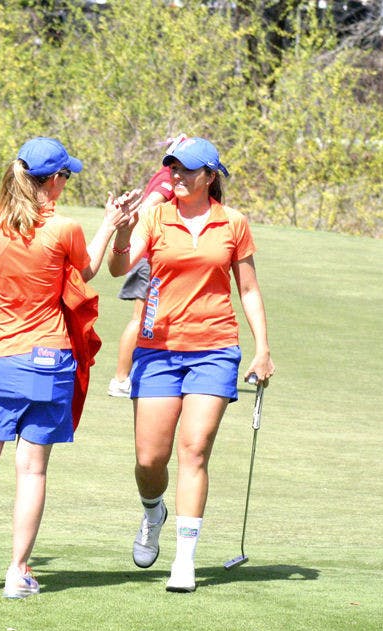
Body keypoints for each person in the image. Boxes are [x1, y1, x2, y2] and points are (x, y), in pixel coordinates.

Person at [0, 137, 140, 601]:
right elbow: (91, 269)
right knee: (31, 470)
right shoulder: (64, 229)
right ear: (53, 181)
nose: (67, 183)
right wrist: (112, 224)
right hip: (46, 361)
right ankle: (16, 573)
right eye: (66, 176)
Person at [107, 137, 275, 593]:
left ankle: (185, 559)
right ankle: (152, 511)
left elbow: (249, 290)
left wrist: (262, 348)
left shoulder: (233, 223)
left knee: (195, 449)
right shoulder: (155, 215)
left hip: (215, 348)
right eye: (173, 169)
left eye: (186, 170)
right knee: (149, 459)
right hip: (158, 350)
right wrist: (122, 231)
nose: (176, 177)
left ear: (210, 176)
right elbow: (119, 268)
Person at [107, 135, 185, 398]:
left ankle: (135, 374)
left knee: (147, 319)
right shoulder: (167, 180)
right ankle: (120, 379)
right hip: (148, 259)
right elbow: (150, 205)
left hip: (149, 257)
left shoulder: (165, 175)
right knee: (140, 319)